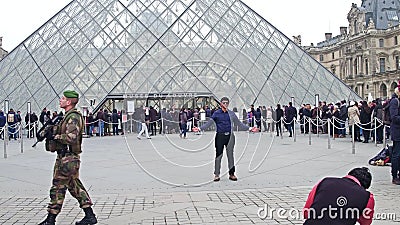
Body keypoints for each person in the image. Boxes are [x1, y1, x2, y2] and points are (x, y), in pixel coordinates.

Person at [38, 90, 97, 225]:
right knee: (74, 186)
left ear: (69, 102)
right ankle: (89, 215)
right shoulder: (66, 116)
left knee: (58, 187)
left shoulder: (73, 117)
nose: (60, 100)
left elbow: (72, 137)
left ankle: (51, 219)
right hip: (67, 158)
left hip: (67, 158)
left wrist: (54, 137)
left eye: (63, 98)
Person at [199, 97, 257, 182]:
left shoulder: (232, 114)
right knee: (218, 155)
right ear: (221, 104)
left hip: (230, 136)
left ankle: (232, 174)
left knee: (230, 156)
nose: (225, 104)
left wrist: (250, 128)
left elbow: (239, 124)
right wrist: (200, 128)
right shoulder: (216, 113)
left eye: (227, 103)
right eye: (224, 103)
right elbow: (209, 123)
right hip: (220, 136)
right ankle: (217, 174)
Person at [303, 167, 374, 225]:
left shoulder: (324, 182)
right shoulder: (367, 196)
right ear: (365, 186)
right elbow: (365, 222)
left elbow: (306, 212)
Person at [390, 84, 400, 185]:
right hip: (397, 132)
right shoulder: (394, 101)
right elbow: (394, 117)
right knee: (396, 155)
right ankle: (394, 176)